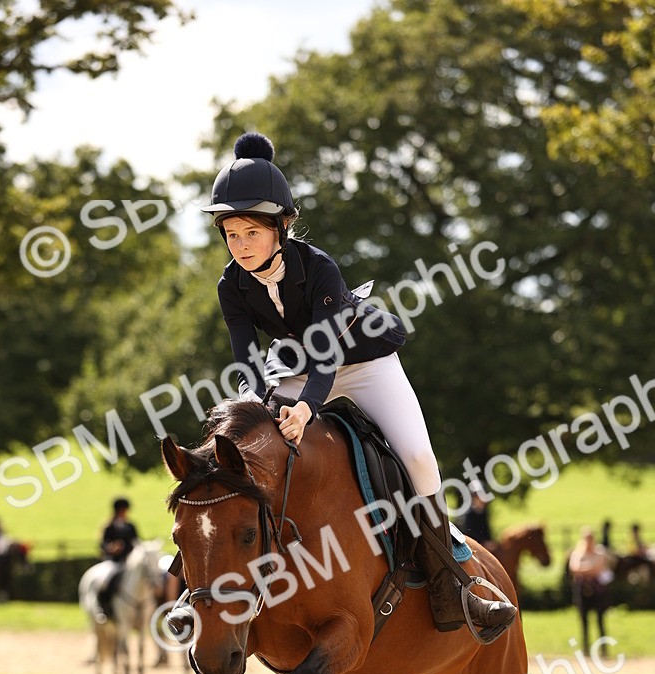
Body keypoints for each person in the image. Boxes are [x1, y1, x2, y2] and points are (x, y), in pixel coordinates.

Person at [202, 132, 516, 639]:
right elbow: (246, 355)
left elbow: (330, 354)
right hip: (299, 369)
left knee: (417, 457)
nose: (239, 245)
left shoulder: (319, 267)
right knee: (244, 446)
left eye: (250, 233)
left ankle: (456, 580)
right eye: (231, 234)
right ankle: (201, 583)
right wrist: (260, 401)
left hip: (363, 362)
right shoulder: (230, 285)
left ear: (281, 226)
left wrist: (306, 409)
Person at [568, 527, 613, 652]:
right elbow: (574, 568)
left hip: (597, 591)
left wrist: (583, 569)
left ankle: (603, 648)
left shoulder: (599, 552)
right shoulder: (578, 552)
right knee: (583, 621)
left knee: (600, 620)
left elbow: (598, 568)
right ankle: (586, 648)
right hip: (582, 589)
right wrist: (590, 568)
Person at [95, 498, 139, 623]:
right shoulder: (109, 527)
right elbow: (102, 544)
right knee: (106, 581)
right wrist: (111, 548)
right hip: (113, 561)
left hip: (129, 562)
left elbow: (136, 542)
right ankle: (103, 609)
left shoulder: (130, 526)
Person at [461, 481, 495, 549]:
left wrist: (489, 541)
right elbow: (469, 533)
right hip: (473, 545)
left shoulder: (484, 512)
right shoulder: (469, 514)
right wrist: (483, 542)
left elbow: (486, 530)